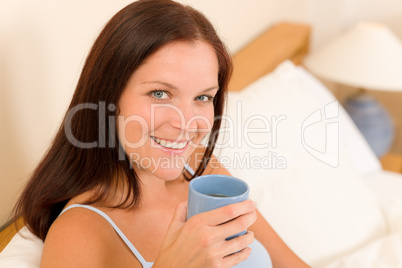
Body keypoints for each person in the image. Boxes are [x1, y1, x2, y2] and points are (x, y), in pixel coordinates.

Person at [13, 0, 310, 267]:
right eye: (160, 93)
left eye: (203, 97)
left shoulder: (200, 168)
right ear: (109, 98)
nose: (186, 122)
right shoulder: (80, 232)